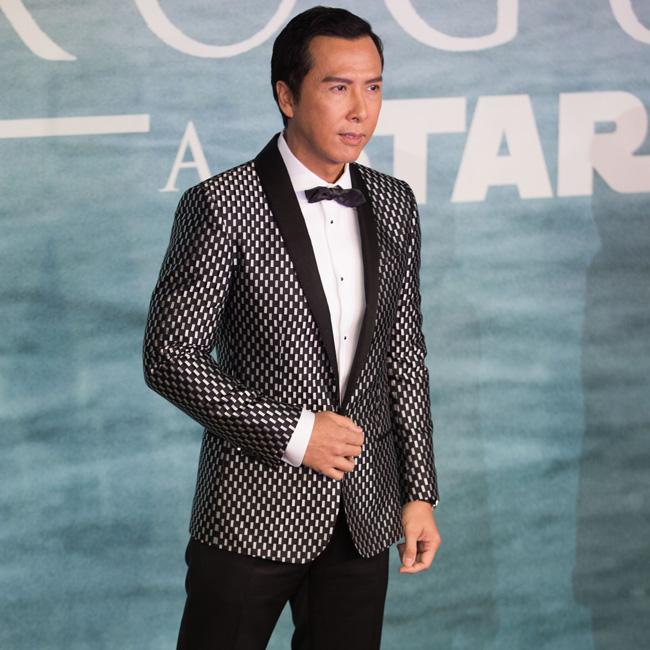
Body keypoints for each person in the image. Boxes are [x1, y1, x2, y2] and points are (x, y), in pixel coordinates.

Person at [142, 6, 441, 649]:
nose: (360, 110)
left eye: (373, 87)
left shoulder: (394, 202)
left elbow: (403, 355)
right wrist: (297, 434)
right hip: (249, 515)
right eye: (338, 87)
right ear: (286, 95)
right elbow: (169, 356)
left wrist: (418, 493)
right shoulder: (221, 204)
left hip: (363, 515)